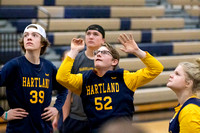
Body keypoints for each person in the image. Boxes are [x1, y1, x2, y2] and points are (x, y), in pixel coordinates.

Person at [56, 33, 164, 132]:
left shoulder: (125, 78)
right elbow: (61, 77)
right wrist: (74, 51)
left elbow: (156, 69)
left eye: (104, 52)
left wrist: (137, 51)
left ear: (114, 61)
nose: (98, 54)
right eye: (97, 53)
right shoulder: (85, 79)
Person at [0, 24, 67, 133]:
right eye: (26, 35)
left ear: (42, 43)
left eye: (34, 35)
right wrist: (3, 114)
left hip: (44, 128)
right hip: (18, 129)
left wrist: (56, 108)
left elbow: (63, 89)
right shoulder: (14, 65)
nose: (29, 37)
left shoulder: (49, 67)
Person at [54, 24, 106, 133]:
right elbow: (66, 91)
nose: (91, 37)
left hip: (100, 118)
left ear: (103, 41)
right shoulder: (75, 59)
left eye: (95, 34)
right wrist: (65, 118)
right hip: (76, 118)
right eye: (88, 34)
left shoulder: (109, 60)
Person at [167, 60, 200, 133]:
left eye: (177, 74)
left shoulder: (190, 111)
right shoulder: (183, 106)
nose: (171, 75)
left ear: (188, 83)